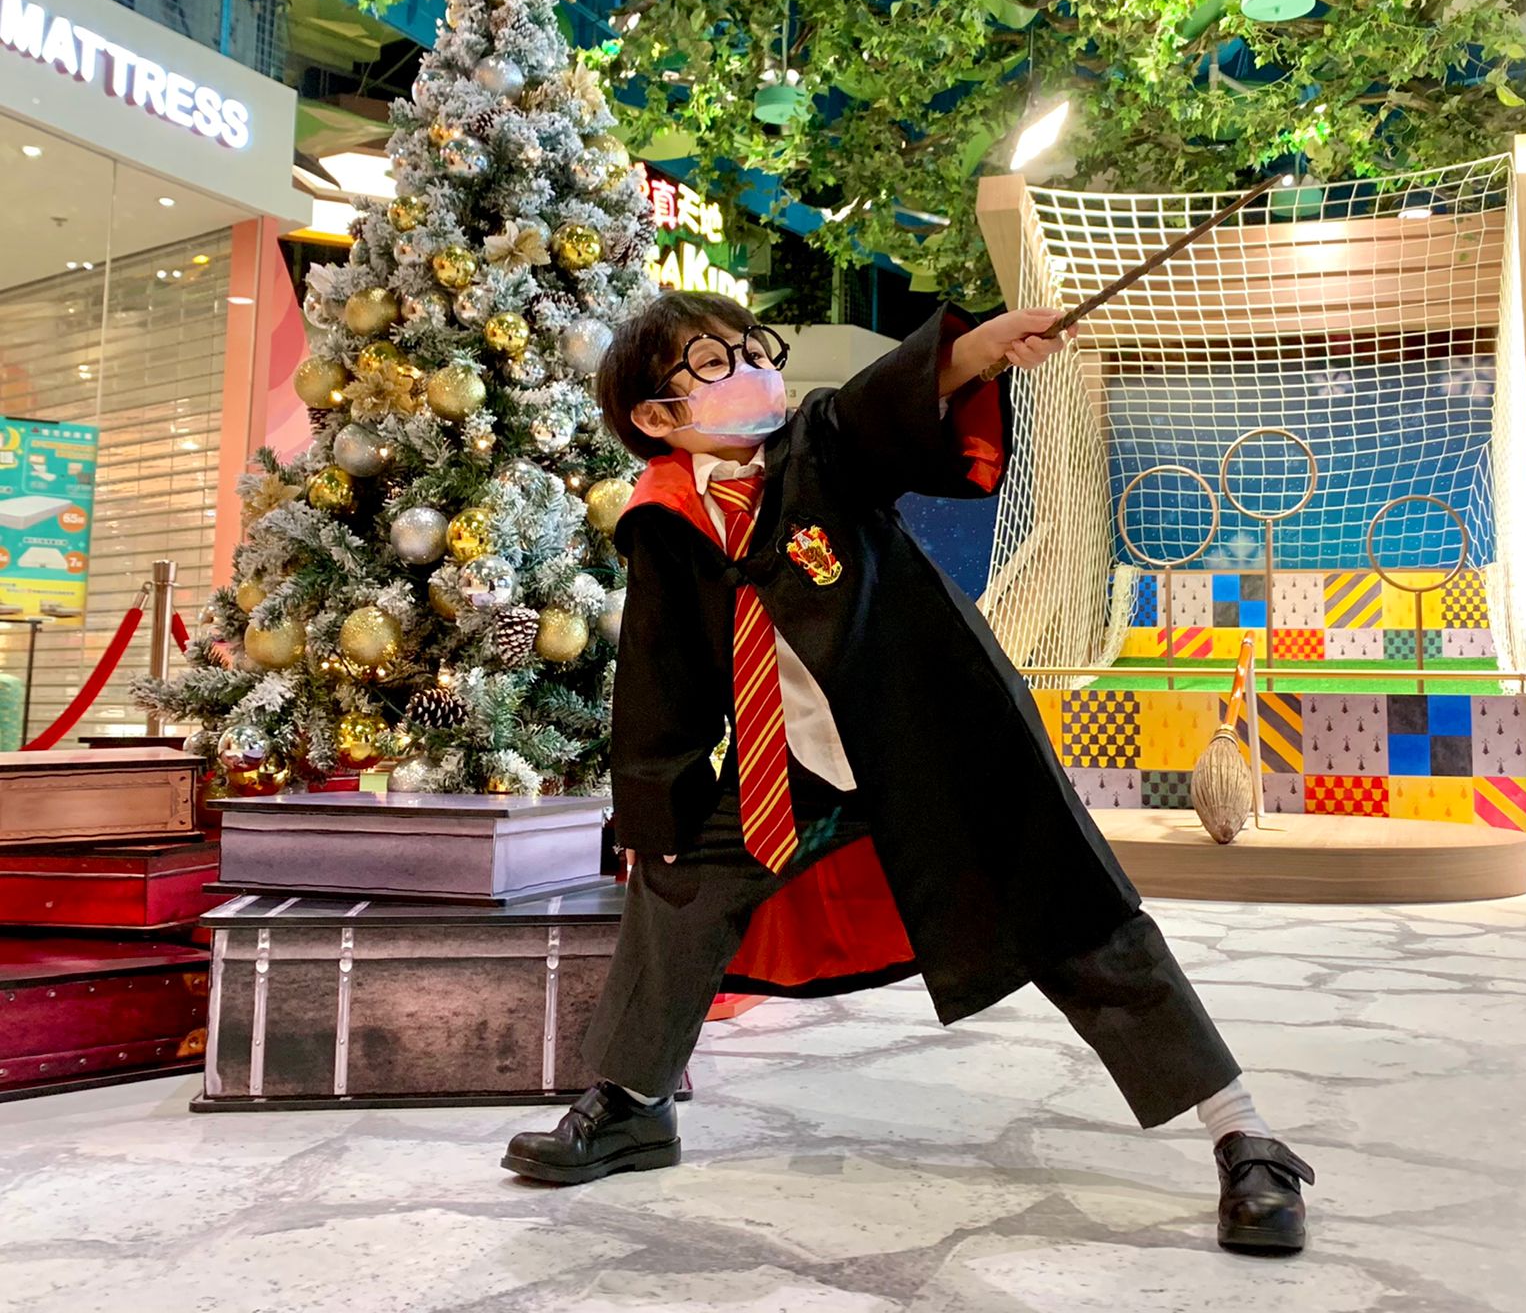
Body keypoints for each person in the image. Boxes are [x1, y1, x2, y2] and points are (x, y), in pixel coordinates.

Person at [501, 292, 1315, 1254]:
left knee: (1078, 920)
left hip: (936, 739)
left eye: (751, 348)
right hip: (790, 766)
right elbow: (660, 677)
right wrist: (656, 807)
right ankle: (635, 1104)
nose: (750, 369)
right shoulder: (664, 519)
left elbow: (874, 409)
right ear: (654, 415)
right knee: (677, 880)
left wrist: (974, 351)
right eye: (712, 362)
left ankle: (1244, 1136)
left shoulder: (816, 451)